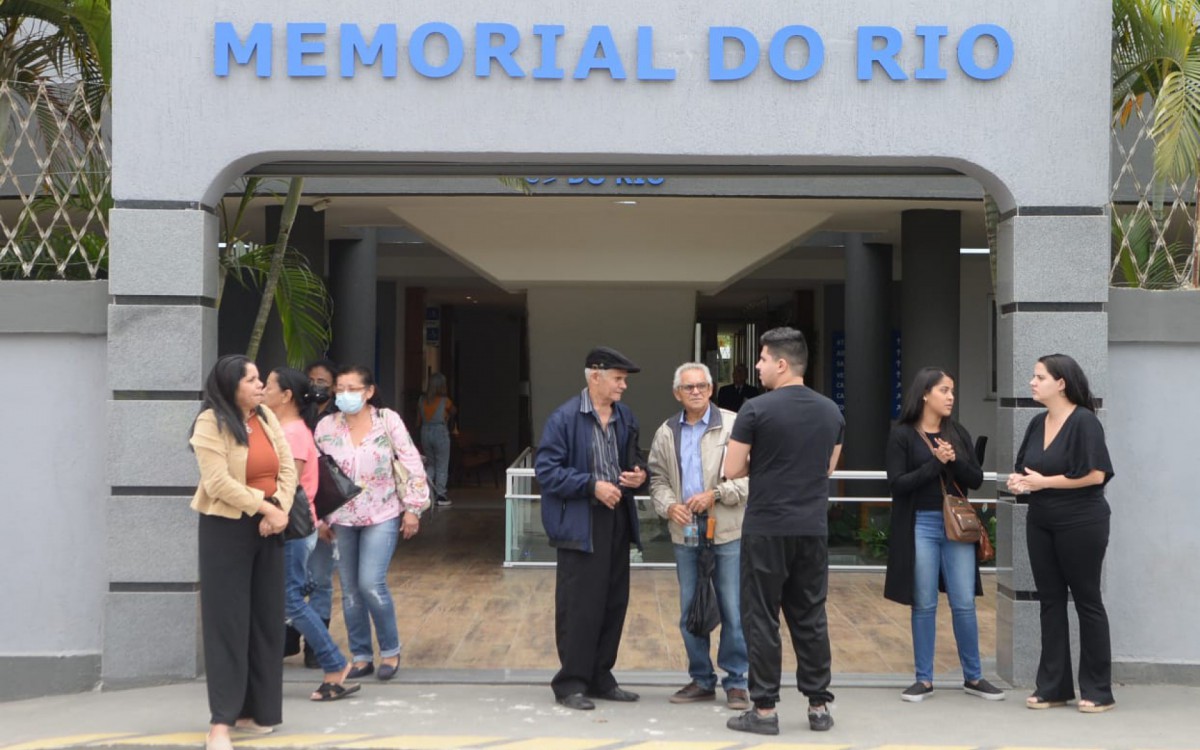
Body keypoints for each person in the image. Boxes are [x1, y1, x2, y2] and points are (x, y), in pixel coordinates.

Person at [723, 327, 843, 736]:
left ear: (781, 363)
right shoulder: (832, 411)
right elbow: (827, 469)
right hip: (812, 527)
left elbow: (731, 469)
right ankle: (818, 706)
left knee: (761, 618)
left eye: (761, 359)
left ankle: (764, 710)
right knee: (810, 615)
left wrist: (766, 461)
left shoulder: (755, 410)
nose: (756, 366)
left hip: (767, 527)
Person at [189, 355, 297, 750]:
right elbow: (216, 482)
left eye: (259, 379)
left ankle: (259, 711)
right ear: (230, 385)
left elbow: (288, 466)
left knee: (266, 620)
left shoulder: (265, 417)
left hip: (271, 525)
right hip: (227, 528)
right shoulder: (209, 423)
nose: (259, 386)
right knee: (228, 624)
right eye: (251, 380)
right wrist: (264, 506)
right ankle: (222, 722)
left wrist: (280, 508)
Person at [535, 346, 647, 711]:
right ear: (594, 376)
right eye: (618, 379)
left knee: (613, 601)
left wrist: (638, 475)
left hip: (616, 518)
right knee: (579, 604)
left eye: (624, 380)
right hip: (581, 521)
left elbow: (636, 459)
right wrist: (590, 485)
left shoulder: (625, 417)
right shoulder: (564, 418)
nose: (623, 386)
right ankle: (571, 682)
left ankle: (601, 676)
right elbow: (547, 472)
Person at [884, 367, 1004, 702]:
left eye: (952, 390)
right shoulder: (902, 435)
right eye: (944, 390)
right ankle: (924, 679)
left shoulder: (957, 432)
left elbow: (976, 479)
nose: (951, 396)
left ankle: (974, 677)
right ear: (925, 394)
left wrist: (952, 462)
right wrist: (935, 463)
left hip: (957, 526)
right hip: (920, 523)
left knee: (963, 602)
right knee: (924, 603)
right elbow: (897, 484)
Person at [1007, 354, 1115, 714]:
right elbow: (1027, 469)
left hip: (1082, 522)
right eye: (1033, 376)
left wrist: (1044, 482)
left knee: (1087, 601)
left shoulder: (1085, 422)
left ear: (1061, 383)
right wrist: (1019, 481)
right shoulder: (1037, 422)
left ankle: (1098, 690)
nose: (1032, 382)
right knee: (1049, 601)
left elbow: (1096, 475)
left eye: (1039, 377)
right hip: (1041, 520)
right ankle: (1053, 687)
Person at [314, 364, 430, 681]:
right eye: (340, 389)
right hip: (341, 517)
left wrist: (413, 509)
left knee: (370, 583)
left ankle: (390, 651)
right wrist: (318, 518)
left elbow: (411, 462)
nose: (345, 394)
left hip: (382, 513)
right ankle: (361, 655)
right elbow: (316, 475)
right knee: (350, 590)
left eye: (353, 388)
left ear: (369, 392)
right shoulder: (325, 427)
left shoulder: (387, 421)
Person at [648, 362, 750, 710]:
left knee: (733, 609)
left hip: (727, 531)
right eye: (688, 387)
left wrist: (717, 495)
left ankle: (737, 682)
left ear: (711, 389)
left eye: (702, 386)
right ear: (677, 393)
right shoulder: (666, 432)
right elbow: (657, 478)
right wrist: (668, 506)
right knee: (691, 608)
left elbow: (757, 477)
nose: (695, 392)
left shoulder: (735, 425)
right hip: (686, 532)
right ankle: (702, 679)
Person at [264, 367, 361, 702]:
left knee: (291, 598)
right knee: (287, 596)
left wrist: (268, 513)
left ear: (287, 395)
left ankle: (334, 663)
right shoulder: (285, 428)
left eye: (269, 385)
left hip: (290, 526)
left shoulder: (292, 433)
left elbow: (289, 485)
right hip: (290, 526)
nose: (263, 390)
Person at [301, 359, 340, 669]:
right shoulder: (297, 414)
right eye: (312, 379)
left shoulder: (339, 419)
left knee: (322, 579)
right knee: (295, 580)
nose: (316, 385)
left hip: (326, 506)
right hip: (297, 507)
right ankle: (290, 637)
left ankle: (316, 646)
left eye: (323, 380)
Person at [417, 372, 457, 508]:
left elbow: (418, 420)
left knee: (430, 464)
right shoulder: (445, 401)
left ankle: (425, 494)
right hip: (440, 431)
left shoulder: (422, 400)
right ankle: (440, 494)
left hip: (425, 431)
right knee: (442, 464)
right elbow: (453, 411)